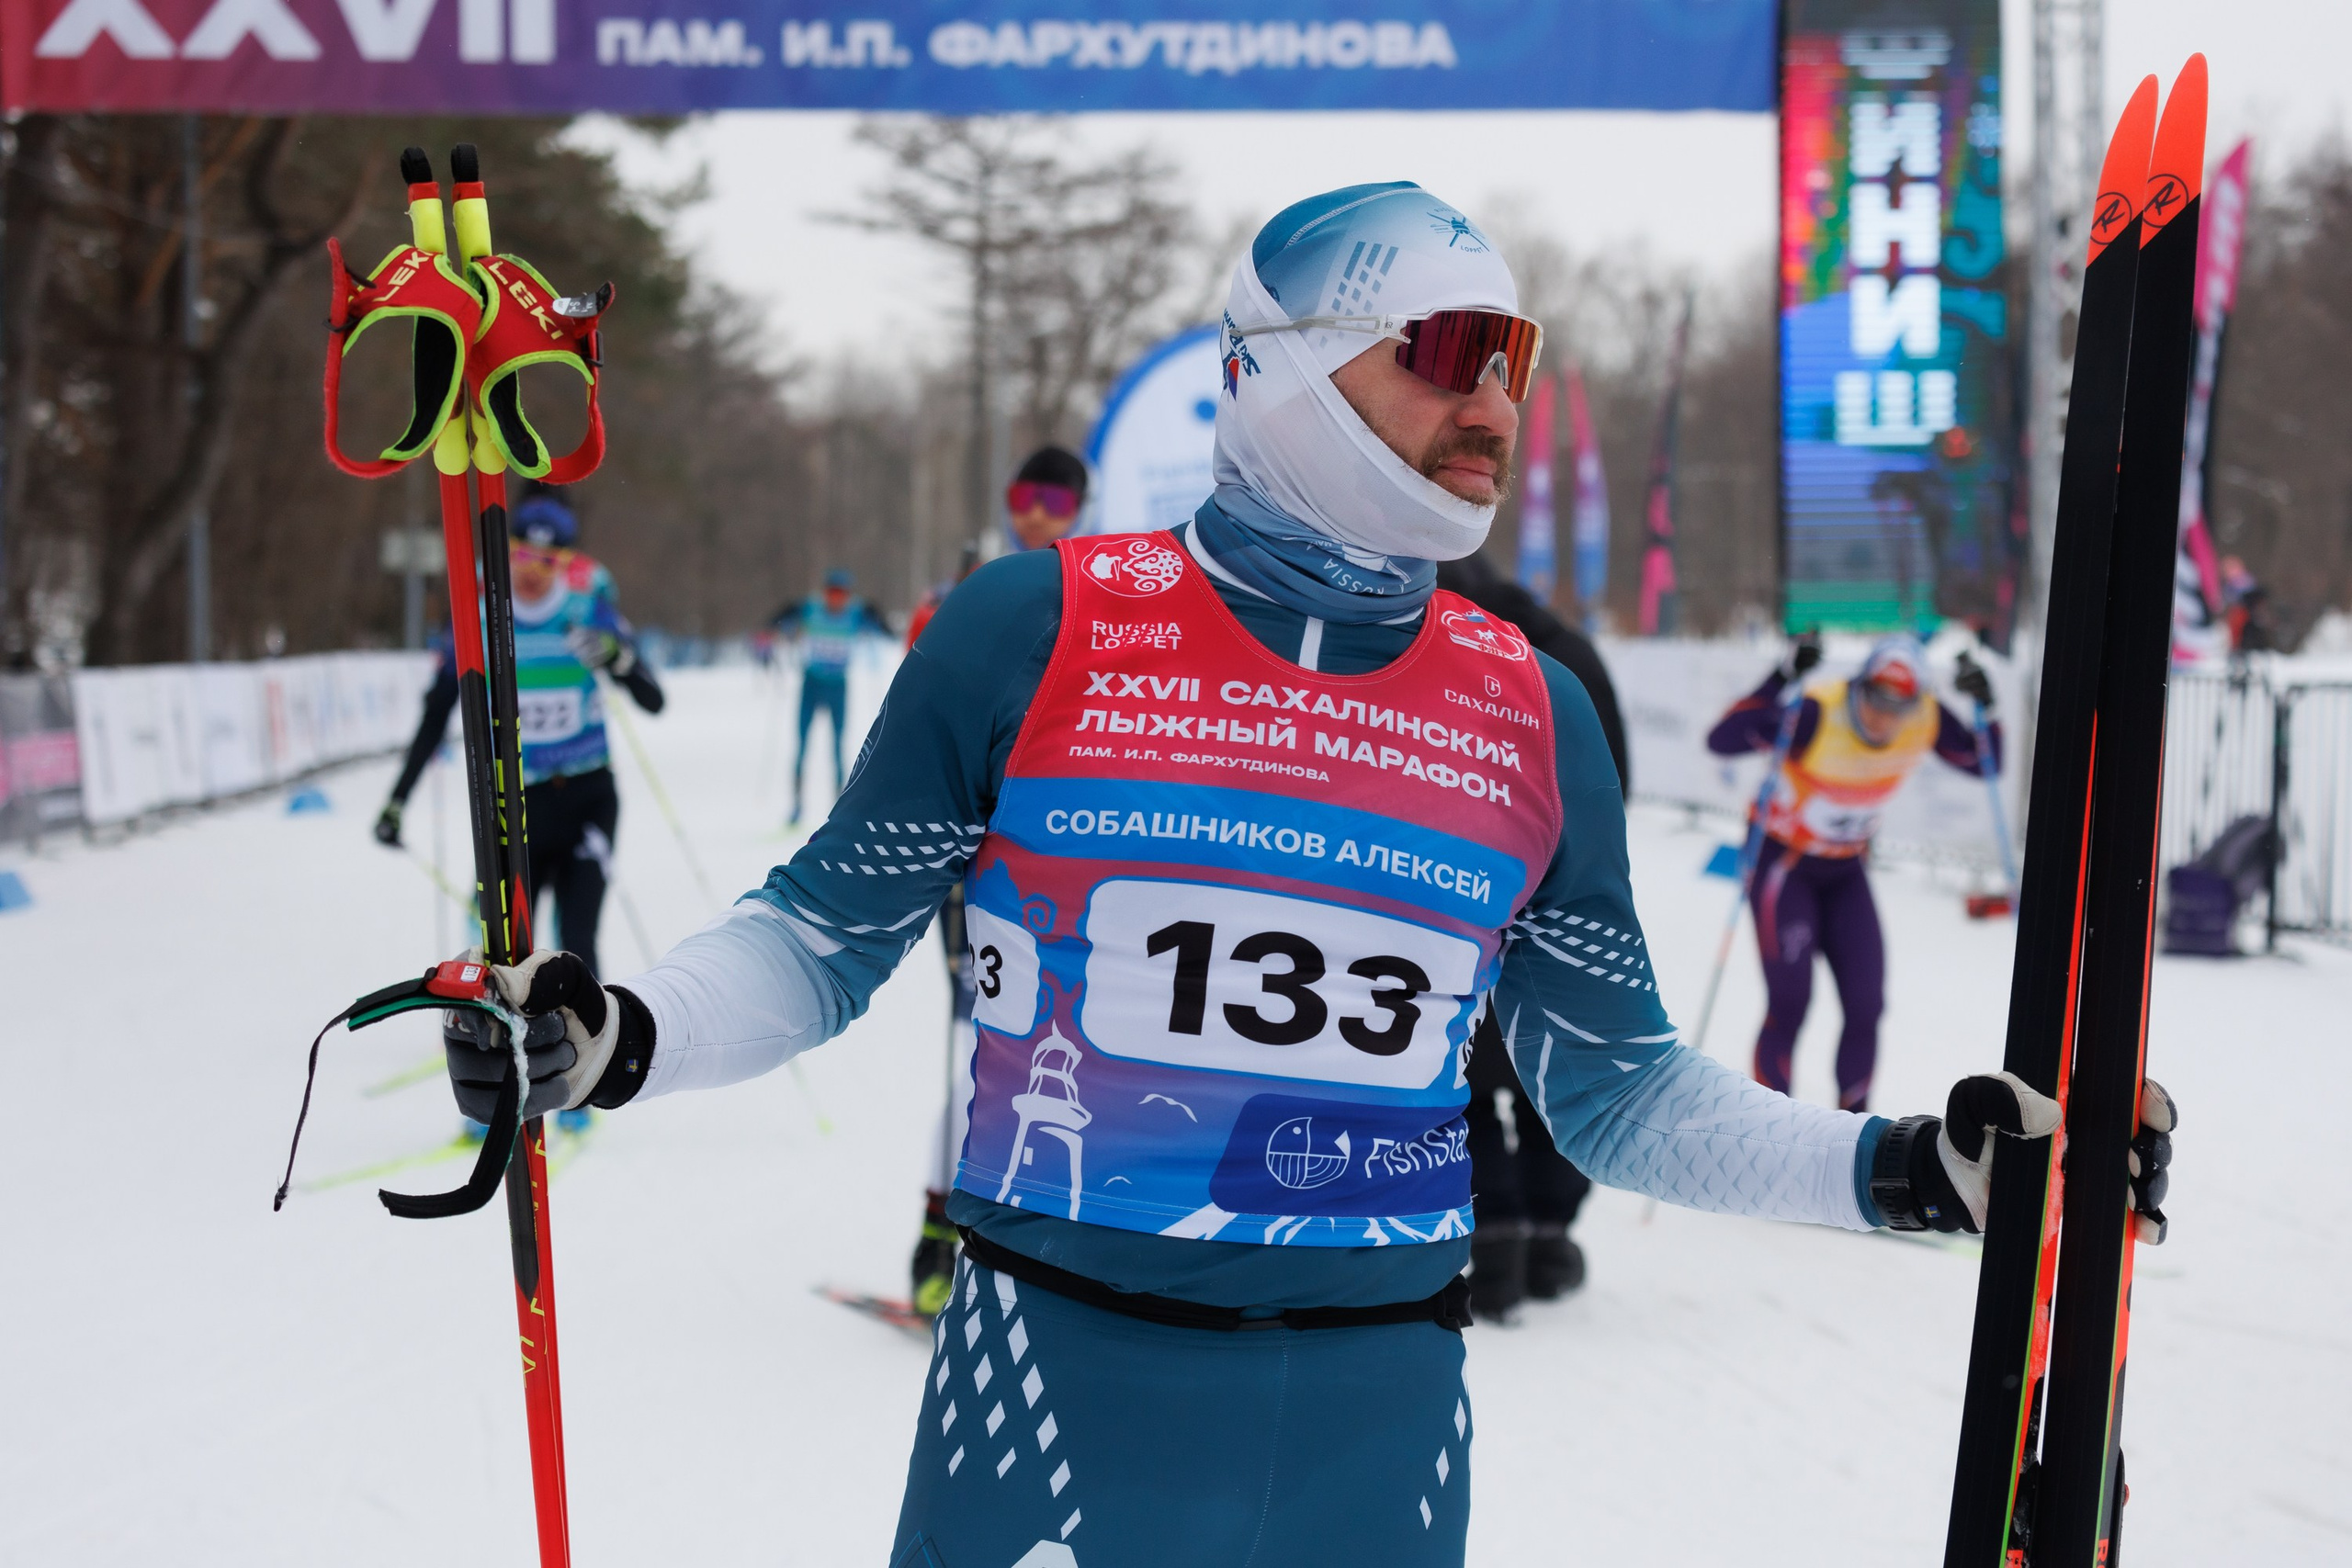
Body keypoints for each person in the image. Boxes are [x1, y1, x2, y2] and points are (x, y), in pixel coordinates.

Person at [428, 185, 2173, 1567]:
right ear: (1278, 361)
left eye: (1516, 355)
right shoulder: (1035, 625)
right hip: (1059, 1378)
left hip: (1379, 1419)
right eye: (1446, 344)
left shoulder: (1530, 707)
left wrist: (1908, 1171)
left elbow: (1620, 1092)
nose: (1492, 394)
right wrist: (617, 1028)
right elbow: (818, 940)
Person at [907, 453, 1092, 1316]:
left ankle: (1025, 1234)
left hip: (1065, 861)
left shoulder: (1102, 603)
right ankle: (940, 1230)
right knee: (984, 1035)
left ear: (1080, 509)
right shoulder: (976, 597)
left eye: (1055, 503)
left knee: (1057, 1045)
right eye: (1024, 499)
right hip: (976, 852)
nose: (1037, 515)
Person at [1434, 548, 1627, 1318]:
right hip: (1564, 884)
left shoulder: (1432, 640)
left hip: (1457, 888)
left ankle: (1498, 1236)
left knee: (1461, 1072)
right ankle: (1547, 1234)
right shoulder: (1569, 651)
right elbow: (1617, 782)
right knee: (1554, 1066)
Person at [374, 487, 663, 993]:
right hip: (516, 805)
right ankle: (497, 1037)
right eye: (524, 555)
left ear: (566, 560)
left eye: (549, 560)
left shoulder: (588, 596)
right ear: (507, 548)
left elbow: (652, 698)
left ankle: (588, 1049)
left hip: (587, 797)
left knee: (577, 941)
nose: (534, 571)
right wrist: (397, 800)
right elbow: (438, 708)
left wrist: (618, 658)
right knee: (503, 949)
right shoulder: (479, 603)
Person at [1705, 635, 1999, 1111]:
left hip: (1844, 871)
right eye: (1874, 698)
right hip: (1785, 866)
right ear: (1858, 686)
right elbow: (1720, 739)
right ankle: (1768, 1127)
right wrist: (1781, 676)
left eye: (1898, 706)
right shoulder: (1818, 714)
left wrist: (1987, 706)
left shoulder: (1925, 718)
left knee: (1866, 1007)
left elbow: (1986, 763)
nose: (1883, 716)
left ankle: (1853, 1133)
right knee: (1790, 1003)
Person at [772, 568, 892, 826]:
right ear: (826, 592)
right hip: (812, 684)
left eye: (842, 594)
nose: (837, 599)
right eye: (833, 593)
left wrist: (880, 619)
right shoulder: (812, 609)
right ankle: (796, 805)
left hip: (838, 686)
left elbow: (882, 626)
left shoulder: (855, 612)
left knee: (837, 745)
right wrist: (776, 624)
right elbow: (785, 615)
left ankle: (839, 806)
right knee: (803, 743)